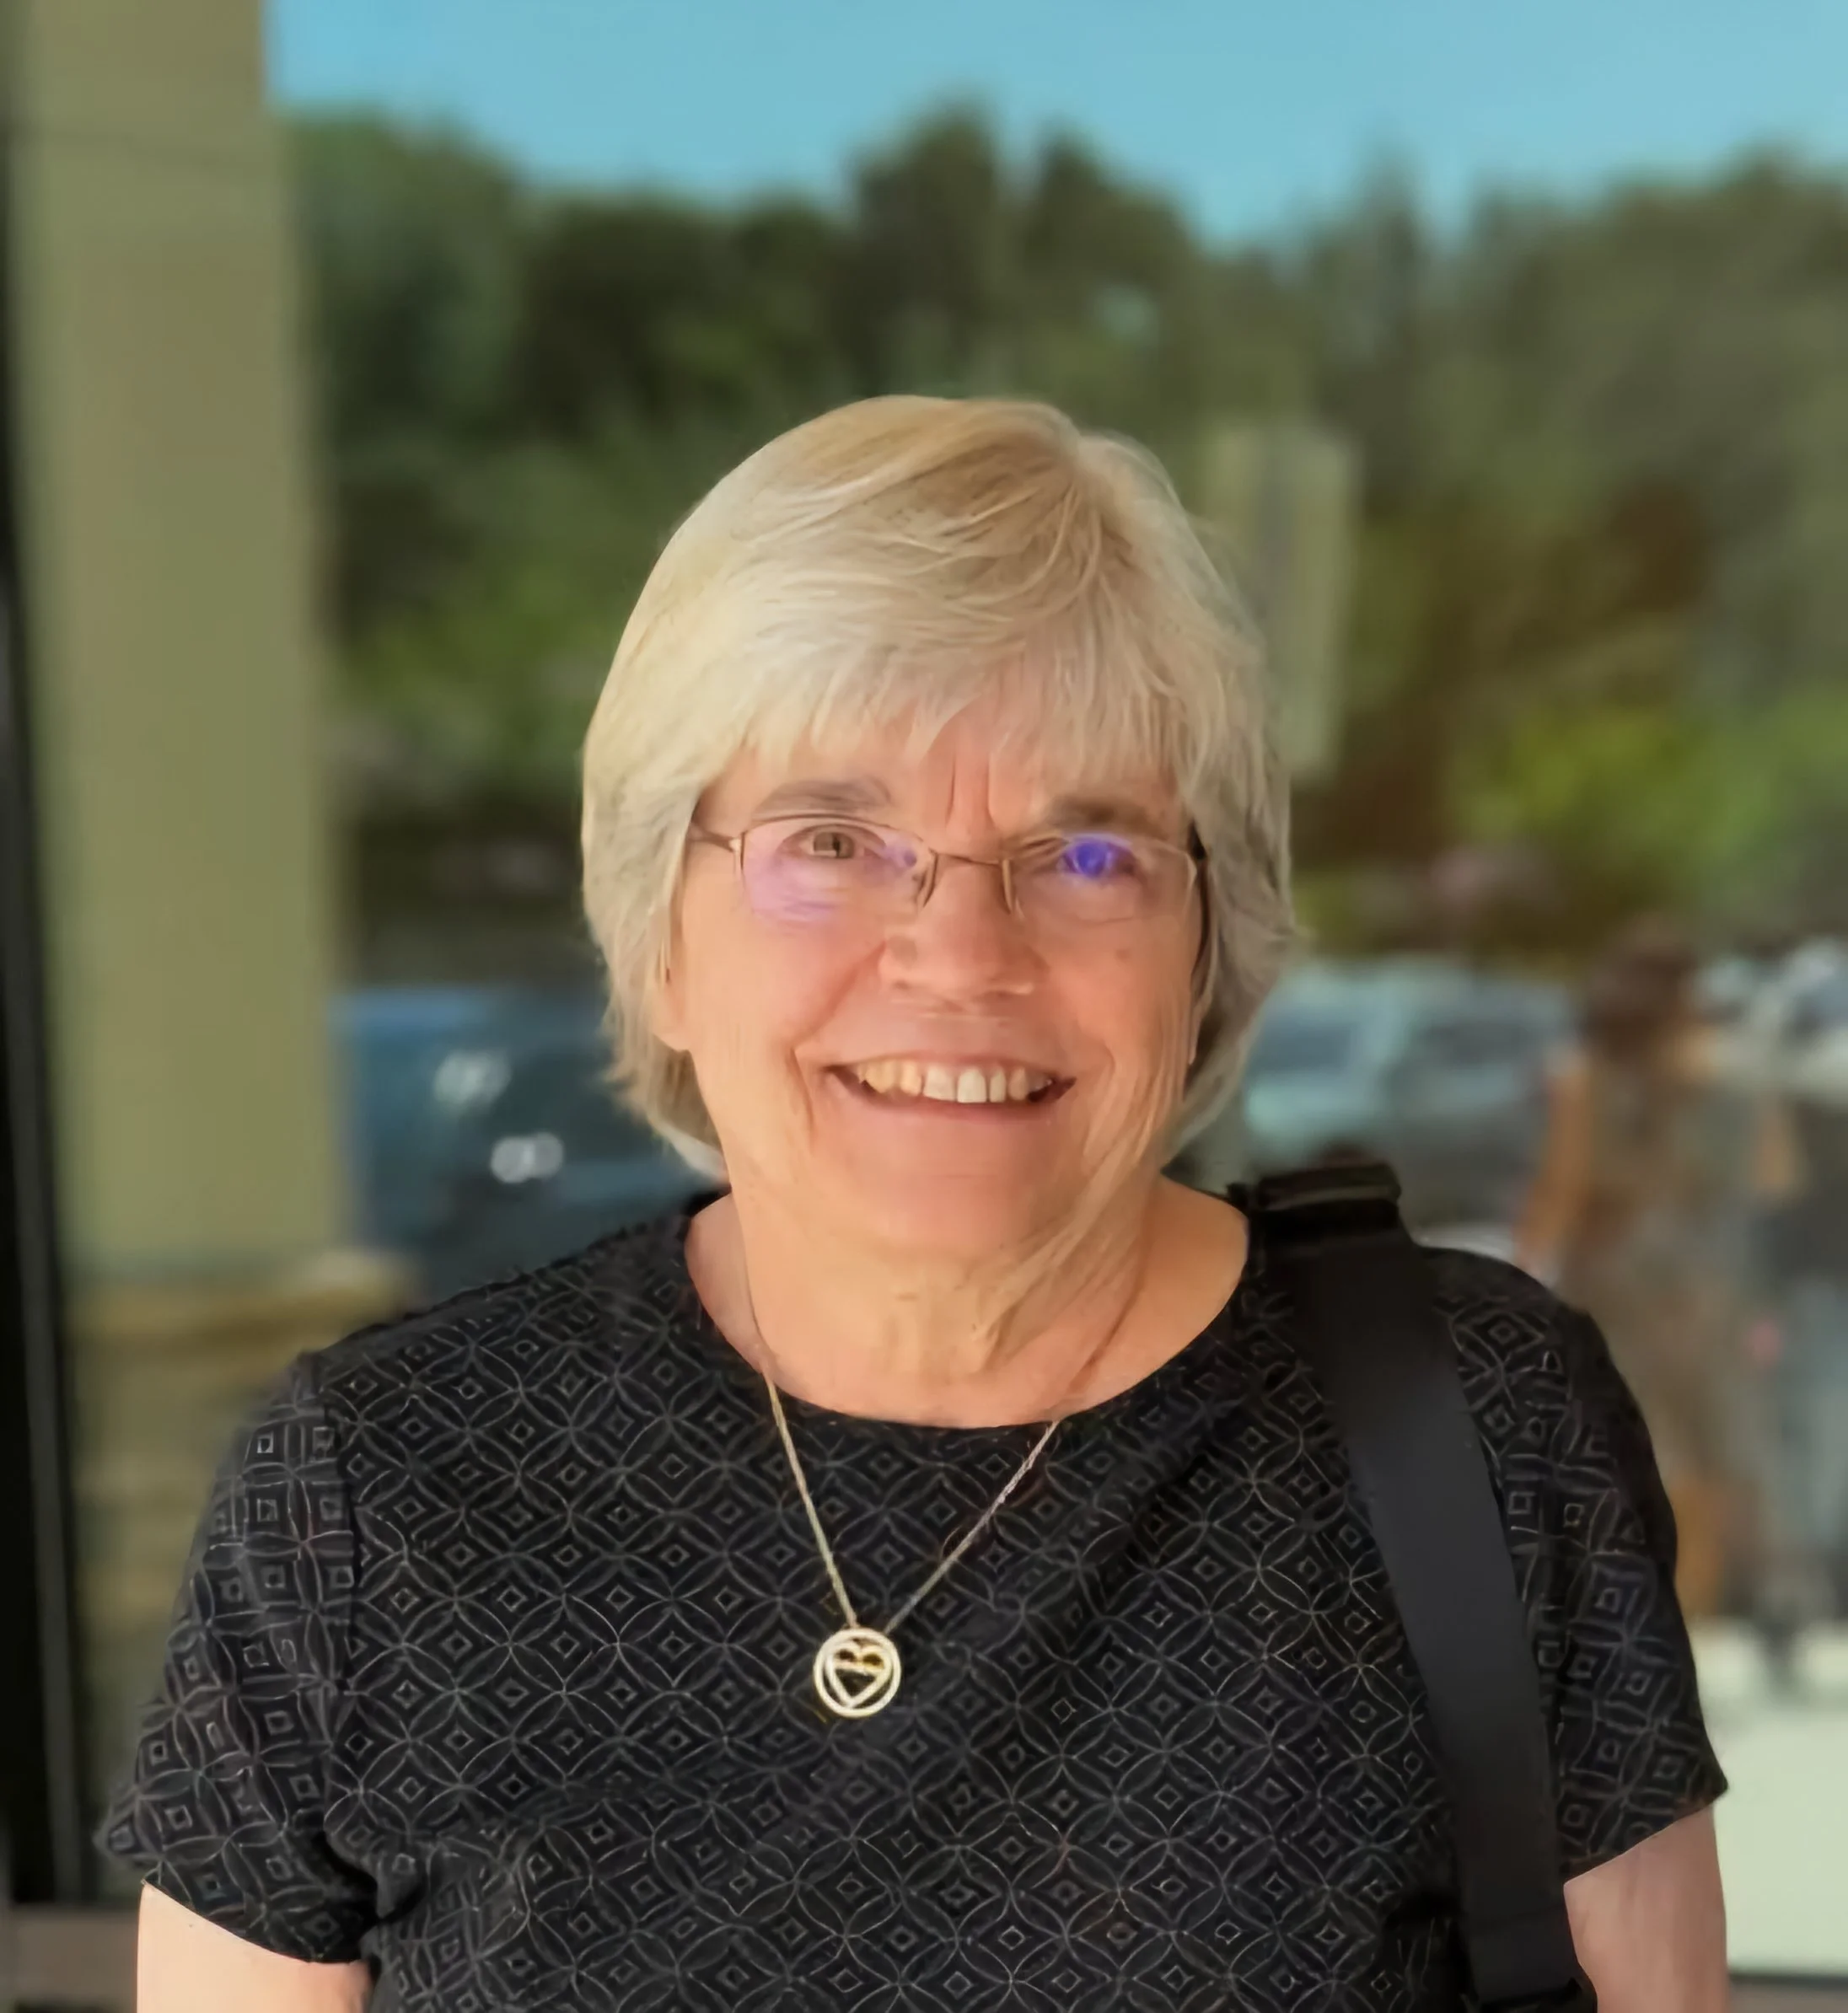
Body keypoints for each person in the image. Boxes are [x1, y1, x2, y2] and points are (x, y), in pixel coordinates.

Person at [110, 398, 1727, 2010]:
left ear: (1204, 948)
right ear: (659, 933)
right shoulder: (369, 1490)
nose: (960, 957)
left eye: (1084, 854)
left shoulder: (1476, 1429)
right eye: (831, 838)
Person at [1514, 915, 1800, 1621]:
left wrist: (1520, 1273)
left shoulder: (1588, 1077)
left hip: (1614, 1283)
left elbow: (1561, 1188)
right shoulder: (1733, 1073)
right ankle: (1759, 1596)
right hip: (1709, 1284)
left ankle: (1672, 1618)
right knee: (1725, 1448)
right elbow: (1775, 1174)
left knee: (1642, 1456)